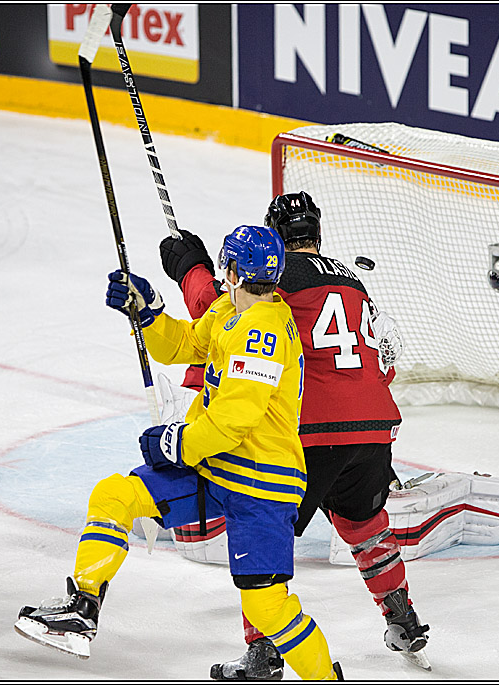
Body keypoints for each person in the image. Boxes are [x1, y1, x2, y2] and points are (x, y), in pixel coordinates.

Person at [14, 225, 342, 681]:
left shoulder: (263, 333)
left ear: (230, 269)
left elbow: (232, 423)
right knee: (116, 495)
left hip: (264, 482)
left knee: (266, 607)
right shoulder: (232, 308)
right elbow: (187, 346)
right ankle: (82, 607)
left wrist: (176, 444)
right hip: (216, 467)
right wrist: (148, 315)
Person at [160, 192, 429, 680]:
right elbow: (382, 358)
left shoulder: (276, 278)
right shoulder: (353, 281)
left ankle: (263, 653)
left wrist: (191, 269)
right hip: (373, 427)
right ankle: (402, 618)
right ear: (317, 234)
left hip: (312, 431)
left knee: (262, 528)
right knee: (366, 524)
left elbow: (218, 312)